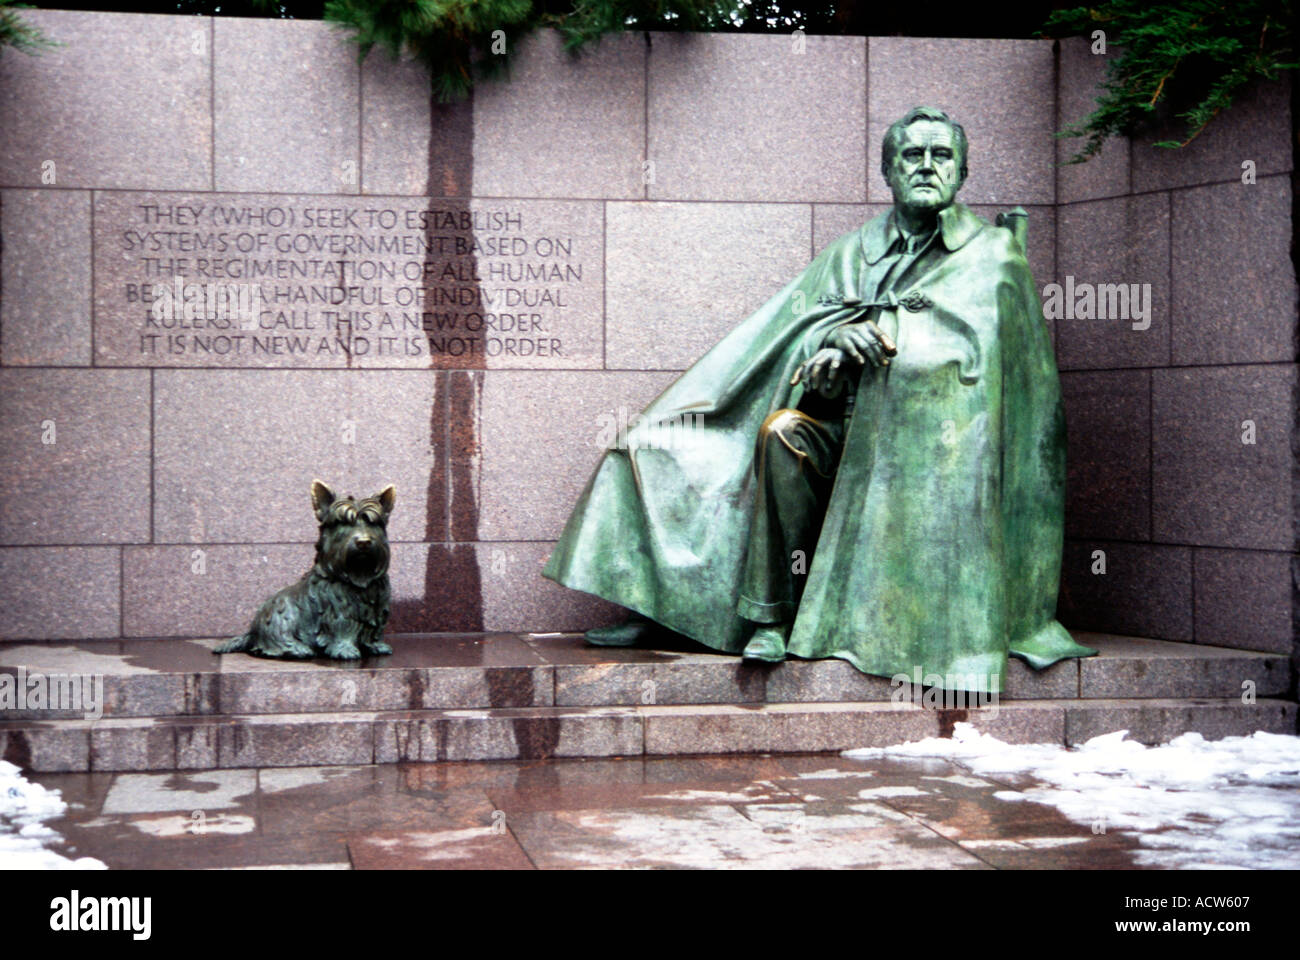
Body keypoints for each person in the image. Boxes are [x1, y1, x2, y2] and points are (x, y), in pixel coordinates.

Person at [542, 107, 1095, 695]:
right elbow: (790, 328)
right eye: (912, 156)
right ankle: (735, 613)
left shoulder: (993, 256)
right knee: (700, 440)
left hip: (921, 455)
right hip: (834, 429)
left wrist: (886, 338)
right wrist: (828, 342)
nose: (927, 167)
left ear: (962, 173)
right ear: (887, 170)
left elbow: (995, 379)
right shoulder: (853, 252)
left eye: (941, 157)